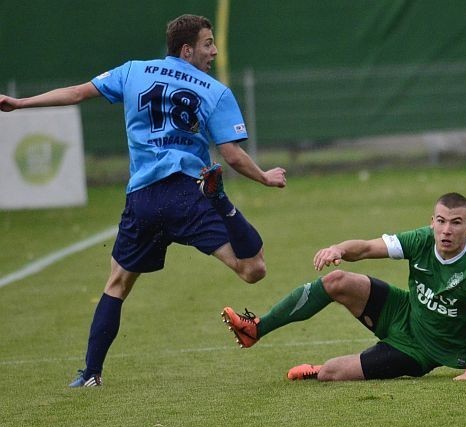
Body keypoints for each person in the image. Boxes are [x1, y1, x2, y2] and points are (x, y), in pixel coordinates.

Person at [0, 14, 287, 387]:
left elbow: (75, 94)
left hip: (143, 198)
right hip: (188, 194)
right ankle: (221, 203)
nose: (214, 51)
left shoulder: (134, 71)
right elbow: (231, 155)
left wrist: (20, 104)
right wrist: (264, 177)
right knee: (253, 269)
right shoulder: (215, 91)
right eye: (207, 44)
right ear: (187, 50)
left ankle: (90, 373)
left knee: (117, 283)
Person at [221, 192, 466, 381]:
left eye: (456, 223)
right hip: (404, 311)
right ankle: (257, 328)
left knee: (333, 372)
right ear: (432, 222)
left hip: (424, 350)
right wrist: (338, 249)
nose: (446, 230)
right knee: (336, 280)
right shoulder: (421, 239)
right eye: (440, 221)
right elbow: (368, 248)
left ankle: (318, 371)